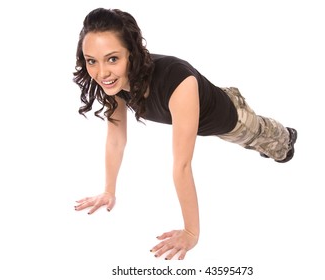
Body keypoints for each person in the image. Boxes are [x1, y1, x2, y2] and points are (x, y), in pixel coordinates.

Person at [73, 8, 297, 260]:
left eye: (112, 59)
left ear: (131, 54)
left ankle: (287, 138)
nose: (101, 73)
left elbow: (182, 165)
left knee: (264, 139)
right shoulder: (113, 82)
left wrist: (191, 232)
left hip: (233, 119)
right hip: (200, 108)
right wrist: (109, 190)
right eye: (92, 60)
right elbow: (116, 140)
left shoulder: (177, 81)